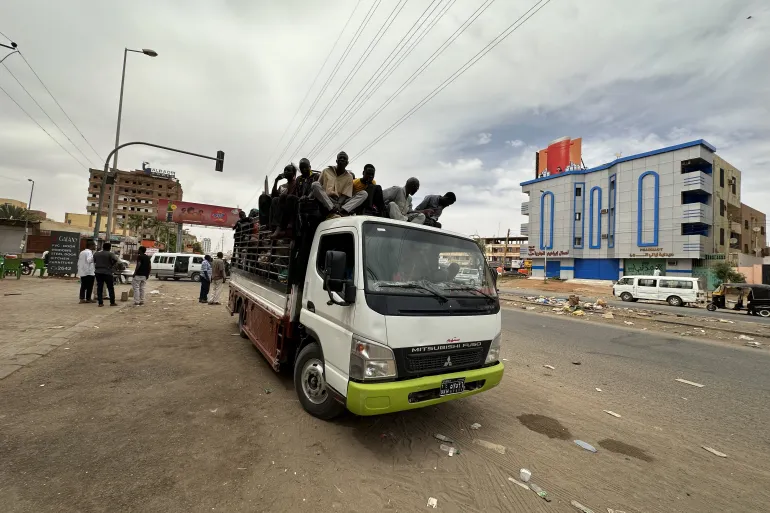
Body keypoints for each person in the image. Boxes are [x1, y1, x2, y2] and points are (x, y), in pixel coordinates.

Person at [310, 151, 368, 219]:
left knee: (364, 194)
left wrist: (339, 204)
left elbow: (345, 194)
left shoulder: (349, 177)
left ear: (347, 163)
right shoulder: (326, 171)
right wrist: (308, 197)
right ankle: (332, 211)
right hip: (327, 199)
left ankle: (343, 211)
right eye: (340, 158)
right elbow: (318, 187)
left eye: (344, 158)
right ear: (336, 161)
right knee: (315, 184)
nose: (342, 159)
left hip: (341, 202)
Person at [269, 164, 301, 238]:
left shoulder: (297, 183)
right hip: (282, 209)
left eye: (288, 170)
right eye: (285, 170)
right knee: (274, 199)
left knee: (283, 197)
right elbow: (273, 195)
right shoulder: (283, 186)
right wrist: (276, 181)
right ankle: (274, 226)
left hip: (293, 207)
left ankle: (280, 227)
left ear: (293, 173)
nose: (286, 172)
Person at [93, 242, 119, 307]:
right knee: (110, 288)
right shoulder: (110, 254)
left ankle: (100, 303)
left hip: (98, 272)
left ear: (103, 247)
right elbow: (116, 260)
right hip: (107, 272)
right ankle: (112, 302)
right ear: (110, 248)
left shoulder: (97, 253)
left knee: (99, 287)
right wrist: (111, 265)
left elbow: (94, 261)